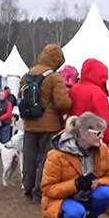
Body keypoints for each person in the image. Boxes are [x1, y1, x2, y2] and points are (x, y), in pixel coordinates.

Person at [41, 112, 109, 218]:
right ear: (83, 133)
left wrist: (97, 182)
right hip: (63, 198)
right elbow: (47, 189)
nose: (102, 137)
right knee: (75, 213)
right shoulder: (56, 155)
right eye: (98, 133)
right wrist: (76, 184)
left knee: (106, 193)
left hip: (87, 195)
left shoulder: (102, 150)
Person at [22, 44, 72, 202]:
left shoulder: (27, 74)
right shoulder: (55, 77)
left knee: (29, 158)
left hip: (29, 124)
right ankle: (39, 191)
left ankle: (28, 188)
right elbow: (62, 103)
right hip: (49, 126)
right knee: (45, 159)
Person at [68, 58, 109, 145]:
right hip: (91, 141)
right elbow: (104, 120)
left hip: (73, 137)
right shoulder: (97, 93)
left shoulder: (73, 90)